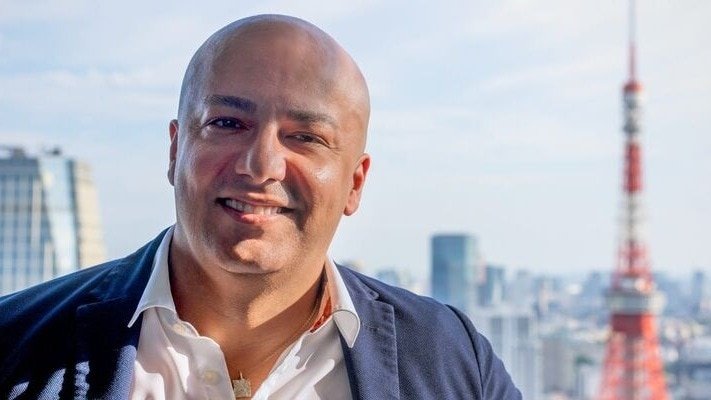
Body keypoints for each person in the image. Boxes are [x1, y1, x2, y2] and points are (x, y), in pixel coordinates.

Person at [0, 14, 521, 400]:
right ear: (176, 150)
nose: (261, 165)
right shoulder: (13, 344)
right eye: (228, 123)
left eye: (306, 137)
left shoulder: (454, 362)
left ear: (355, 184)